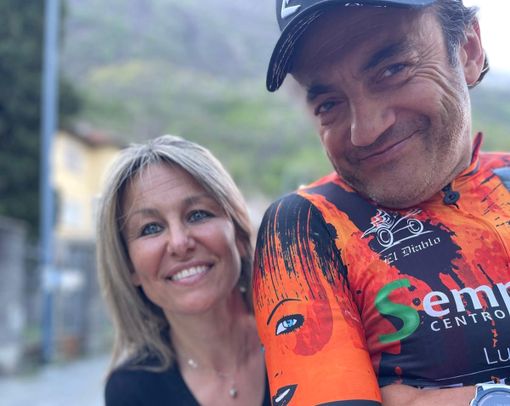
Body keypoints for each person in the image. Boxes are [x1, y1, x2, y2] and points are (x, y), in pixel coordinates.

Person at [253, 1, 510, 405]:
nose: (366, 130)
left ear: (468, 49)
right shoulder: (308, 226)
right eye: (329, 104)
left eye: (392, 70)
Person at [96, 135, 270, 405]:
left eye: (198, 214)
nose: (179, 243)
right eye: (151, 228)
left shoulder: (302, 336)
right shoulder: (132, 391)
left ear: (238, 233)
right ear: (129, 265)